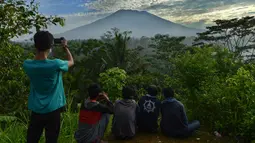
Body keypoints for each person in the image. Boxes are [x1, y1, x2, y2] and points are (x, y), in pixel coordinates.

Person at [23, 31, 74, 143]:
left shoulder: (27, 64)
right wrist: (65, 47)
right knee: (51, 140)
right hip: (53, 110)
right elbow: (71, 62)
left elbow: (36, 60)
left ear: (35, 46)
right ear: (51, 46)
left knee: (32, 139)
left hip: (36, 110)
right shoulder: (56, 64)